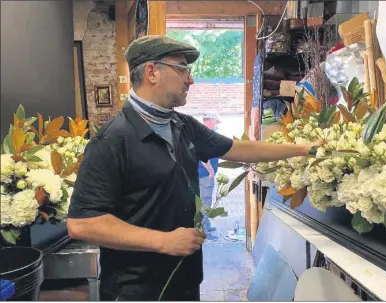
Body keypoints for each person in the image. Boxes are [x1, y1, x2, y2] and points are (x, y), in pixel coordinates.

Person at [66, 35, 322, 301]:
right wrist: (162, 241)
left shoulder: (182, 125)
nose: (191, 80)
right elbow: (82, 224)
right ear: (152, 72)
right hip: (137, 290)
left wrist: (303, 149)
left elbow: (240, 149)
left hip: (185, 281)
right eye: (183, 69)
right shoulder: (112, 141)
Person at [197, 112, 221, 239]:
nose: (216, 125)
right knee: (205, 202)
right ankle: (204, 231)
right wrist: (211, 171)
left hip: (205, 174)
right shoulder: (204, 133)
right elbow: (203, 156)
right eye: (216, 122)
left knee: (206, 201)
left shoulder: (203, 132)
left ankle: (207, 224)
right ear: (211, 120)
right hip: (205, 174)